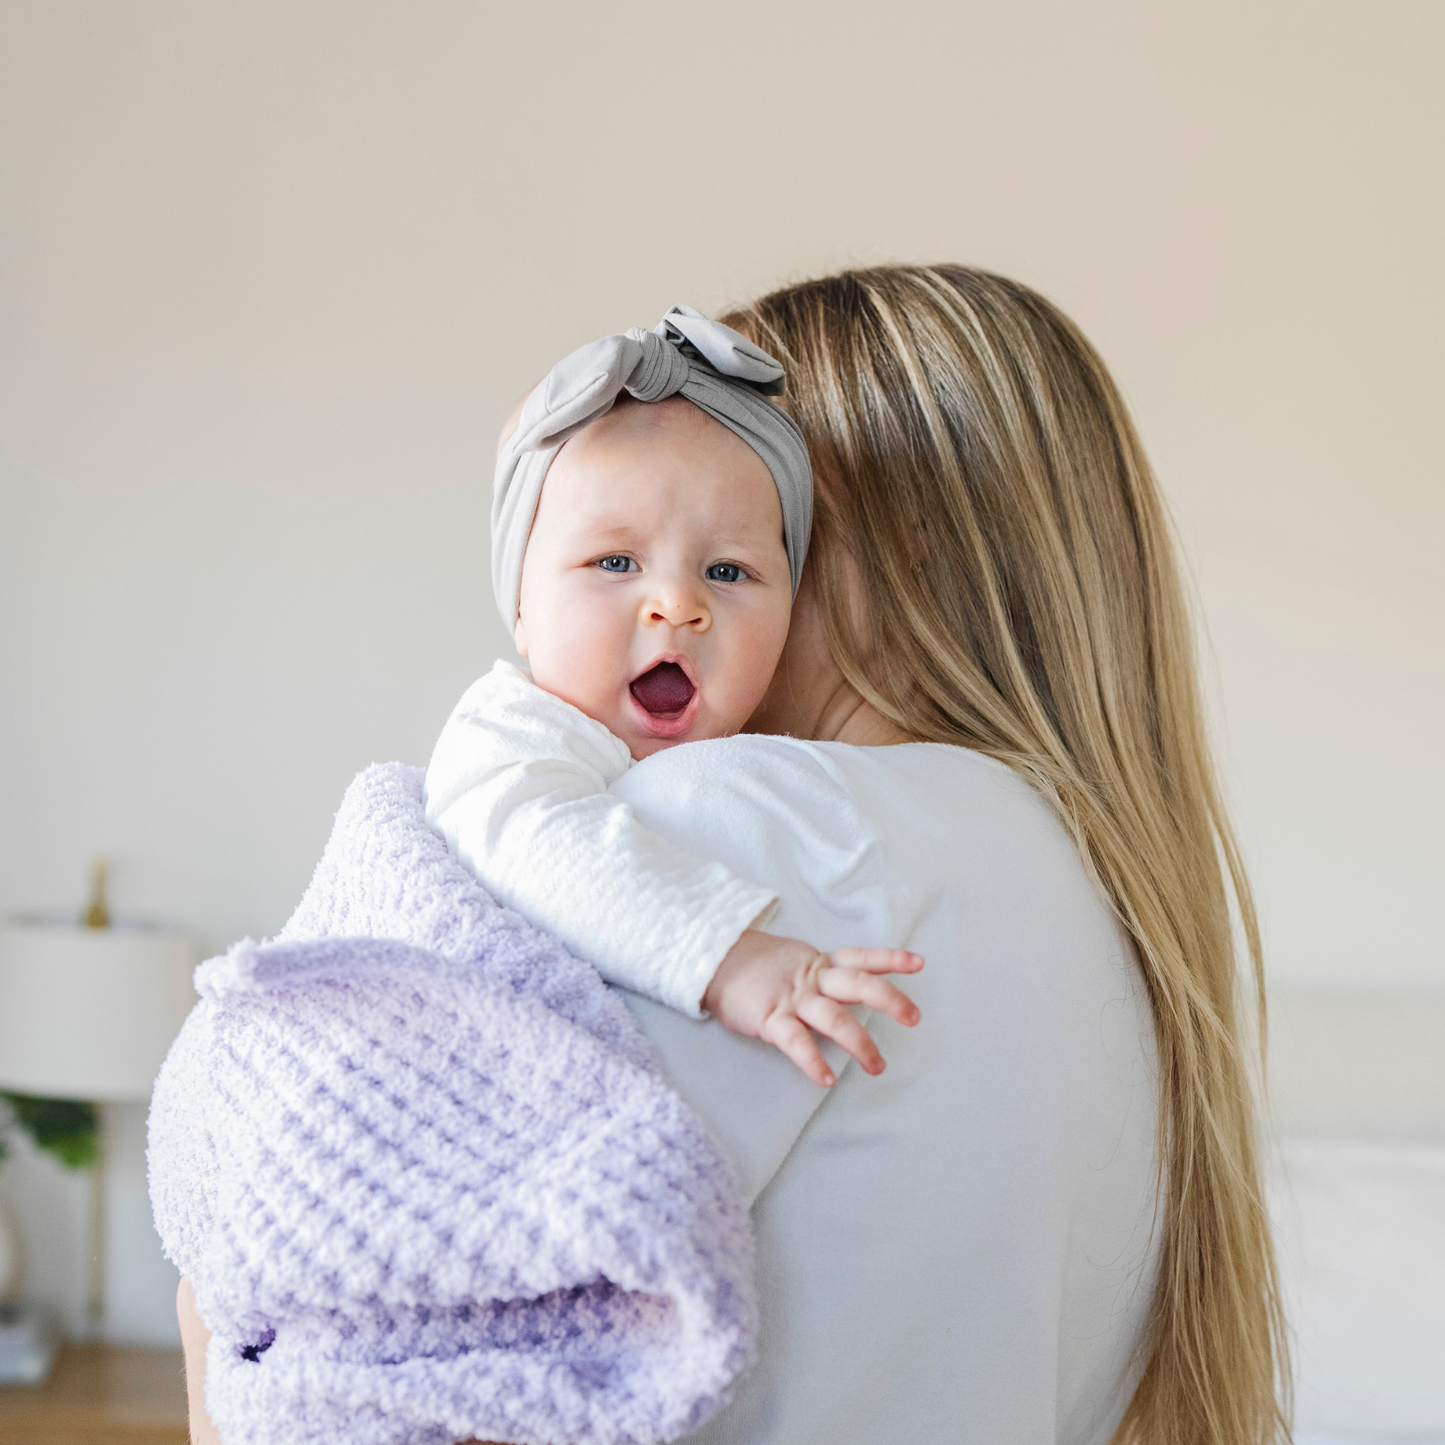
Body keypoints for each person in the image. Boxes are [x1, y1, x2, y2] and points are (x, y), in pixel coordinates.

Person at [179, 264, 1288, 1444]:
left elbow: (390, 1331)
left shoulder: (765, 820)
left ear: (887, 545)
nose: (677, 601)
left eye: (741, 534)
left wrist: (214, 1287)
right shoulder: (1094, 899)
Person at [426, 304, 922, 1088]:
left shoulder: (763, 775)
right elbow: (535, 840)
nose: (676, 604)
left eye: (727, 572)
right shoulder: (514, 734)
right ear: (520, 608)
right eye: (616, 562)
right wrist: (726, 955)